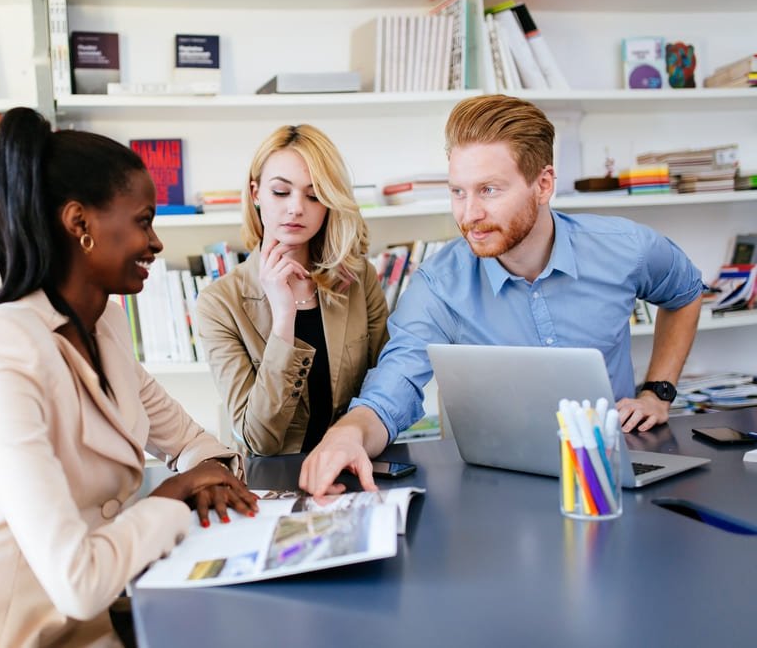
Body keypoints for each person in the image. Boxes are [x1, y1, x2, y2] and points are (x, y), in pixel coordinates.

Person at [0, 107, 258, 648]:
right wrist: (176, 491)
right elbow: (77, 582)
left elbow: (188, 439)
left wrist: (205, 470)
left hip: (96, 616)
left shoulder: (105, 323)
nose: (156, 242)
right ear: (80, 224)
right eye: (143, 220)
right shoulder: (1, 350)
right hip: (12, 633)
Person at [299, 94, 703, 496]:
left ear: (543, 184)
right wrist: (348, 435)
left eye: (489, 190)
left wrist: (658, 392)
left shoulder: (624, 247)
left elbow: (685, 293)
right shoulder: (439, 285)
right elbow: (394, 386)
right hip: (497, 491)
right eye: (458, 192)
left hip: (609, 477)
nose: (468, 213)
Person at [195, 124, 389, 456]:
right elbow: (259, 440)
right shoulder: (219, 304)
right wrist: (284, 319)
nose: (296, 208)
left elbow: (384, 392)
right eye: (281, 192)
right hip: (276, 484)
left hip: (355, 465)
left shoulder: (358, 279)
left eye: (314, 195)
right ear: (256, 194)